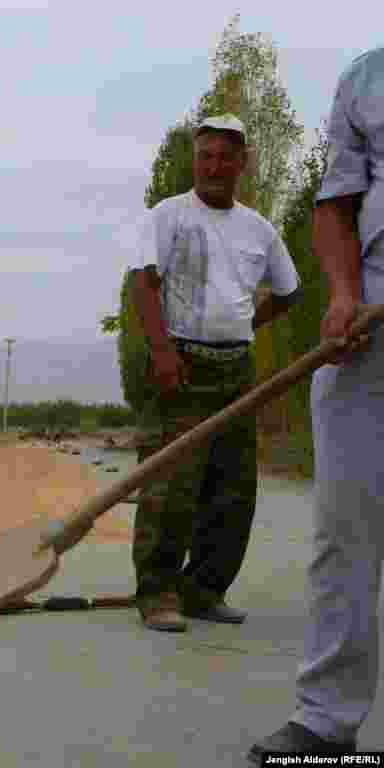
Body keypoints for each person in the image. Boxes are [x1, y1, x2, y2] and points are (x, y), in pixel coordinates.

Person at [249, 46, 384, 761]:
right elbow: (335, 205)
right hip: (368, 335)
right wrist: (342, 293)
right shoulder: (366, 78)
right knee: (344, 528)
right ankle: (327, 721)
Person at [129, 114, 303, 633]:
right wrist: (161, 352)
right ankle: (157, 593)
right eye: (205, 155)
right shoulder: (168, 216)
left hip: (237, 369)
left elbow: (289, 291)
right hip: (181, 362)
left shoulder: (259, 229)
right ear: (195, 160)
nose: (214, 166)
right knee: (170, 484)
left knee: (232, 487)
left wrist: (246, 320)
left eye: (226, 157)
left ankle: (204, 590)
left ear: (241, 164)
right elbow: (144, 282)